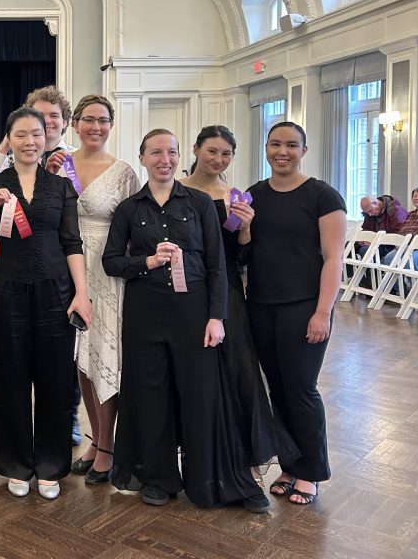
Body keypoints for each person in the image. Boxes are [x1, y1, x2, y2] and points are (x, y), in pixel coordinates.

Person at [103, 129, 266, 512]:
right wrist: (147, 261)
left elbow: (216, 265)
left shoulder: (200, 203)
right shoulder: (129, 209)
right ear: (142, 158)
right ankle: (159, 477)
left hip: (193, 311)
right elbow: (111, 262)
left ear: (180, 157)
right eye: (156, 152)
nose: (165, 159)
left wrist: (216, 317)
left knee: (200, 394)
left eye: (172, 152)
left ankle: (207, 477)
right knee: (152, 394)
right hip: (145, 312)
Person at [0, 107, 92, 499]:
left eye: (36, 134)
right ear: (10, 139)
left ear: (46, 137)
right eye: (20, 134)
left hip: (56, 291)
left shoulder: (60, 186)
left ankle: (52, 465)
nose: (29, 141)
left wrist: (82, 294)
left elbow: (72, 242)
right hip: (9, 291)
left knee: (56, 379)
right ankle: (17, 464)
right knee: (11, 377)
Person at [239, 121, 347, 507]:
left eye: (290, 145)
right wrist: (244, 230)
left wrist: (323, 312)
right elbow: (244, 252)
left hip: (304, 306)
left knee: (301, 389)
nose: (282, 152)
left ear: (304, 150)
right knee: (277, 390)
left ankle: (311, 471)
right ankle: (289, 465)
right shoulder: (254, 194)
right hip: (261, 305)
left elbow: (333, 259)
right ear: (266, 148)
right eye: (275, 144)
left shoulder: (323, 196)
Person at [181, 125, 293, 486]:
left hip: (227, 290)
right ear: (196, 149)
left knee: (240, 371)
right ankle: (198, 455)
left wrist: (245, 229)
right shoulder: (177, 190)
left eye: (226, 154)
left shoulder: (235, 197)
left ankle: (246, 460)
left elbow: (242, 257)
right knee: (195, 374)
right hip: (185, 290)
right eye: (212, 151)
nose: (218, 159)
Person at [64, 95, 139, 485]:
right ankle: (96, 440)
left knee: (103, 354)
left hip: (106, 270)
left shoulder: (124, 173)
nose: (96, 127)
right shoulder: (60, 164)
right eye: (89, 119)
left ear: (111, 125)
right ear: (75, 123)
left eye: (103, 120)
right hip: (66, 266)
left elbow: (136, 228)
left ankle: (108, 446)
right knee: (81, 360)